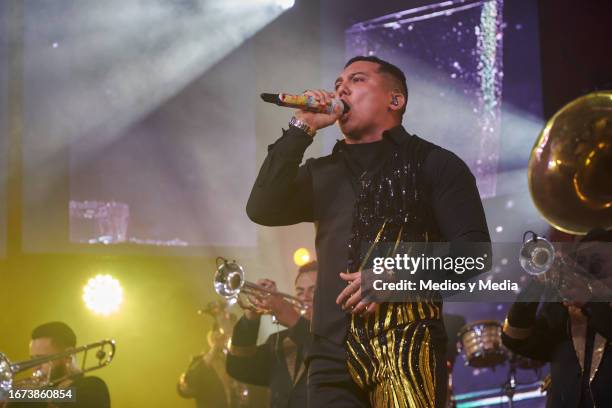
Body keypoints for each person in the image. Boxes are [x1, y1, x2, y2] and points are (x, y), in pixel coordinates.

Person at [247, 56, 490, 407]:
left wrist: (396, 276)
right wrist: (302, 127)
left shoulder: (436, 164)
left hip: (408, 347)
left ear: (395, 100)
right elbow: (261, 207)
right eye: (338, 83)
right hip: (330, 356)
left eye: (357, 80)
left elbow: (475, 254)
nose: (341, 88)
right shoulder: (322, 172)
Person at [502, 228, 612, 407]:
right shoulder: (562, 308)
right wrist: (537, 284)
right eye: (581, 259)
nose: (586, 267)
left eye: (597, 259)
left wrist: (590, 300)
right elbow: (515, 339)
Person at [226, 261, 317, 408]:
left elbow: (321, 347)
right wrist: (251, 316)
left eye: (313, 290)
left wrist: (289, 314)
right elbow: (238, 367)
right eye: (300, 292)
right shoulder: (278, 341)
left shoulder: (343, 335)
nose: (304, 297)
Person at [6, 321, 111, 408]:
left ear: (68, 356)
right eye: (32, 360)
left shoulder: (92, 387)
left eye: (42, 359)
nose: (35, 367)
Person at [177, 304, 251, 408]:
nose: (222, 335)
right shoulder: (198, 363)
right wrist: (215, 348)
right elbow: (185, 389)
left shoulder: (240, 356)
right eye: (218, 333)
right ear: (211, 337)